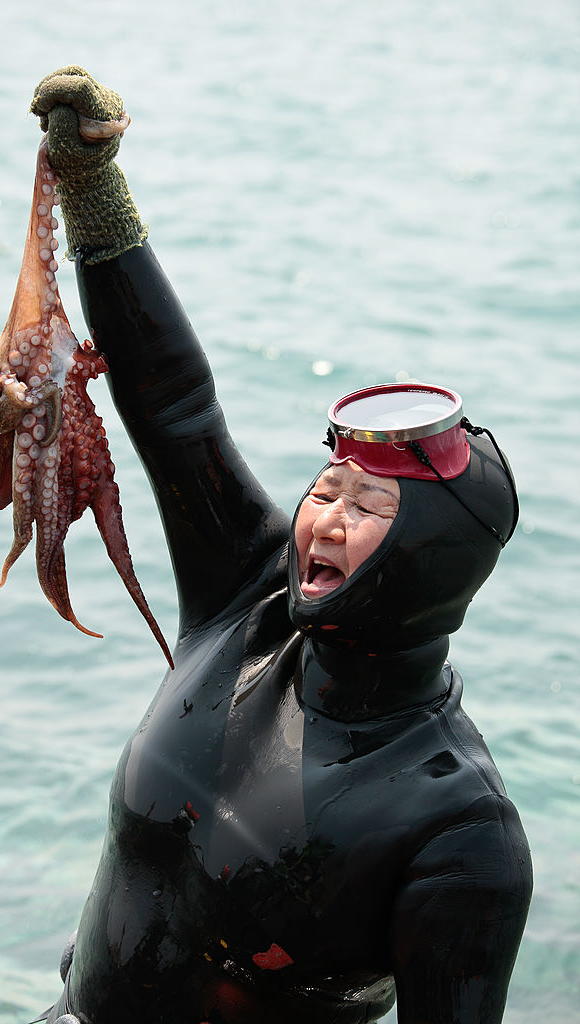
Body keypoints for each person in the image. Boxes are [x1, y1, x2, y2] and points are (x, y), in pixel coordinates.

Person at [28, 66, 532, 1024]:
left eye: (366, 506)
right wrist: (92, 189)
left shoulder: (458, 835)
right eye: (326, 488)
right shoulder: (245, 599)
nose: (323, 518)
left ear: (432, 559)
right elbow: (177, 407)